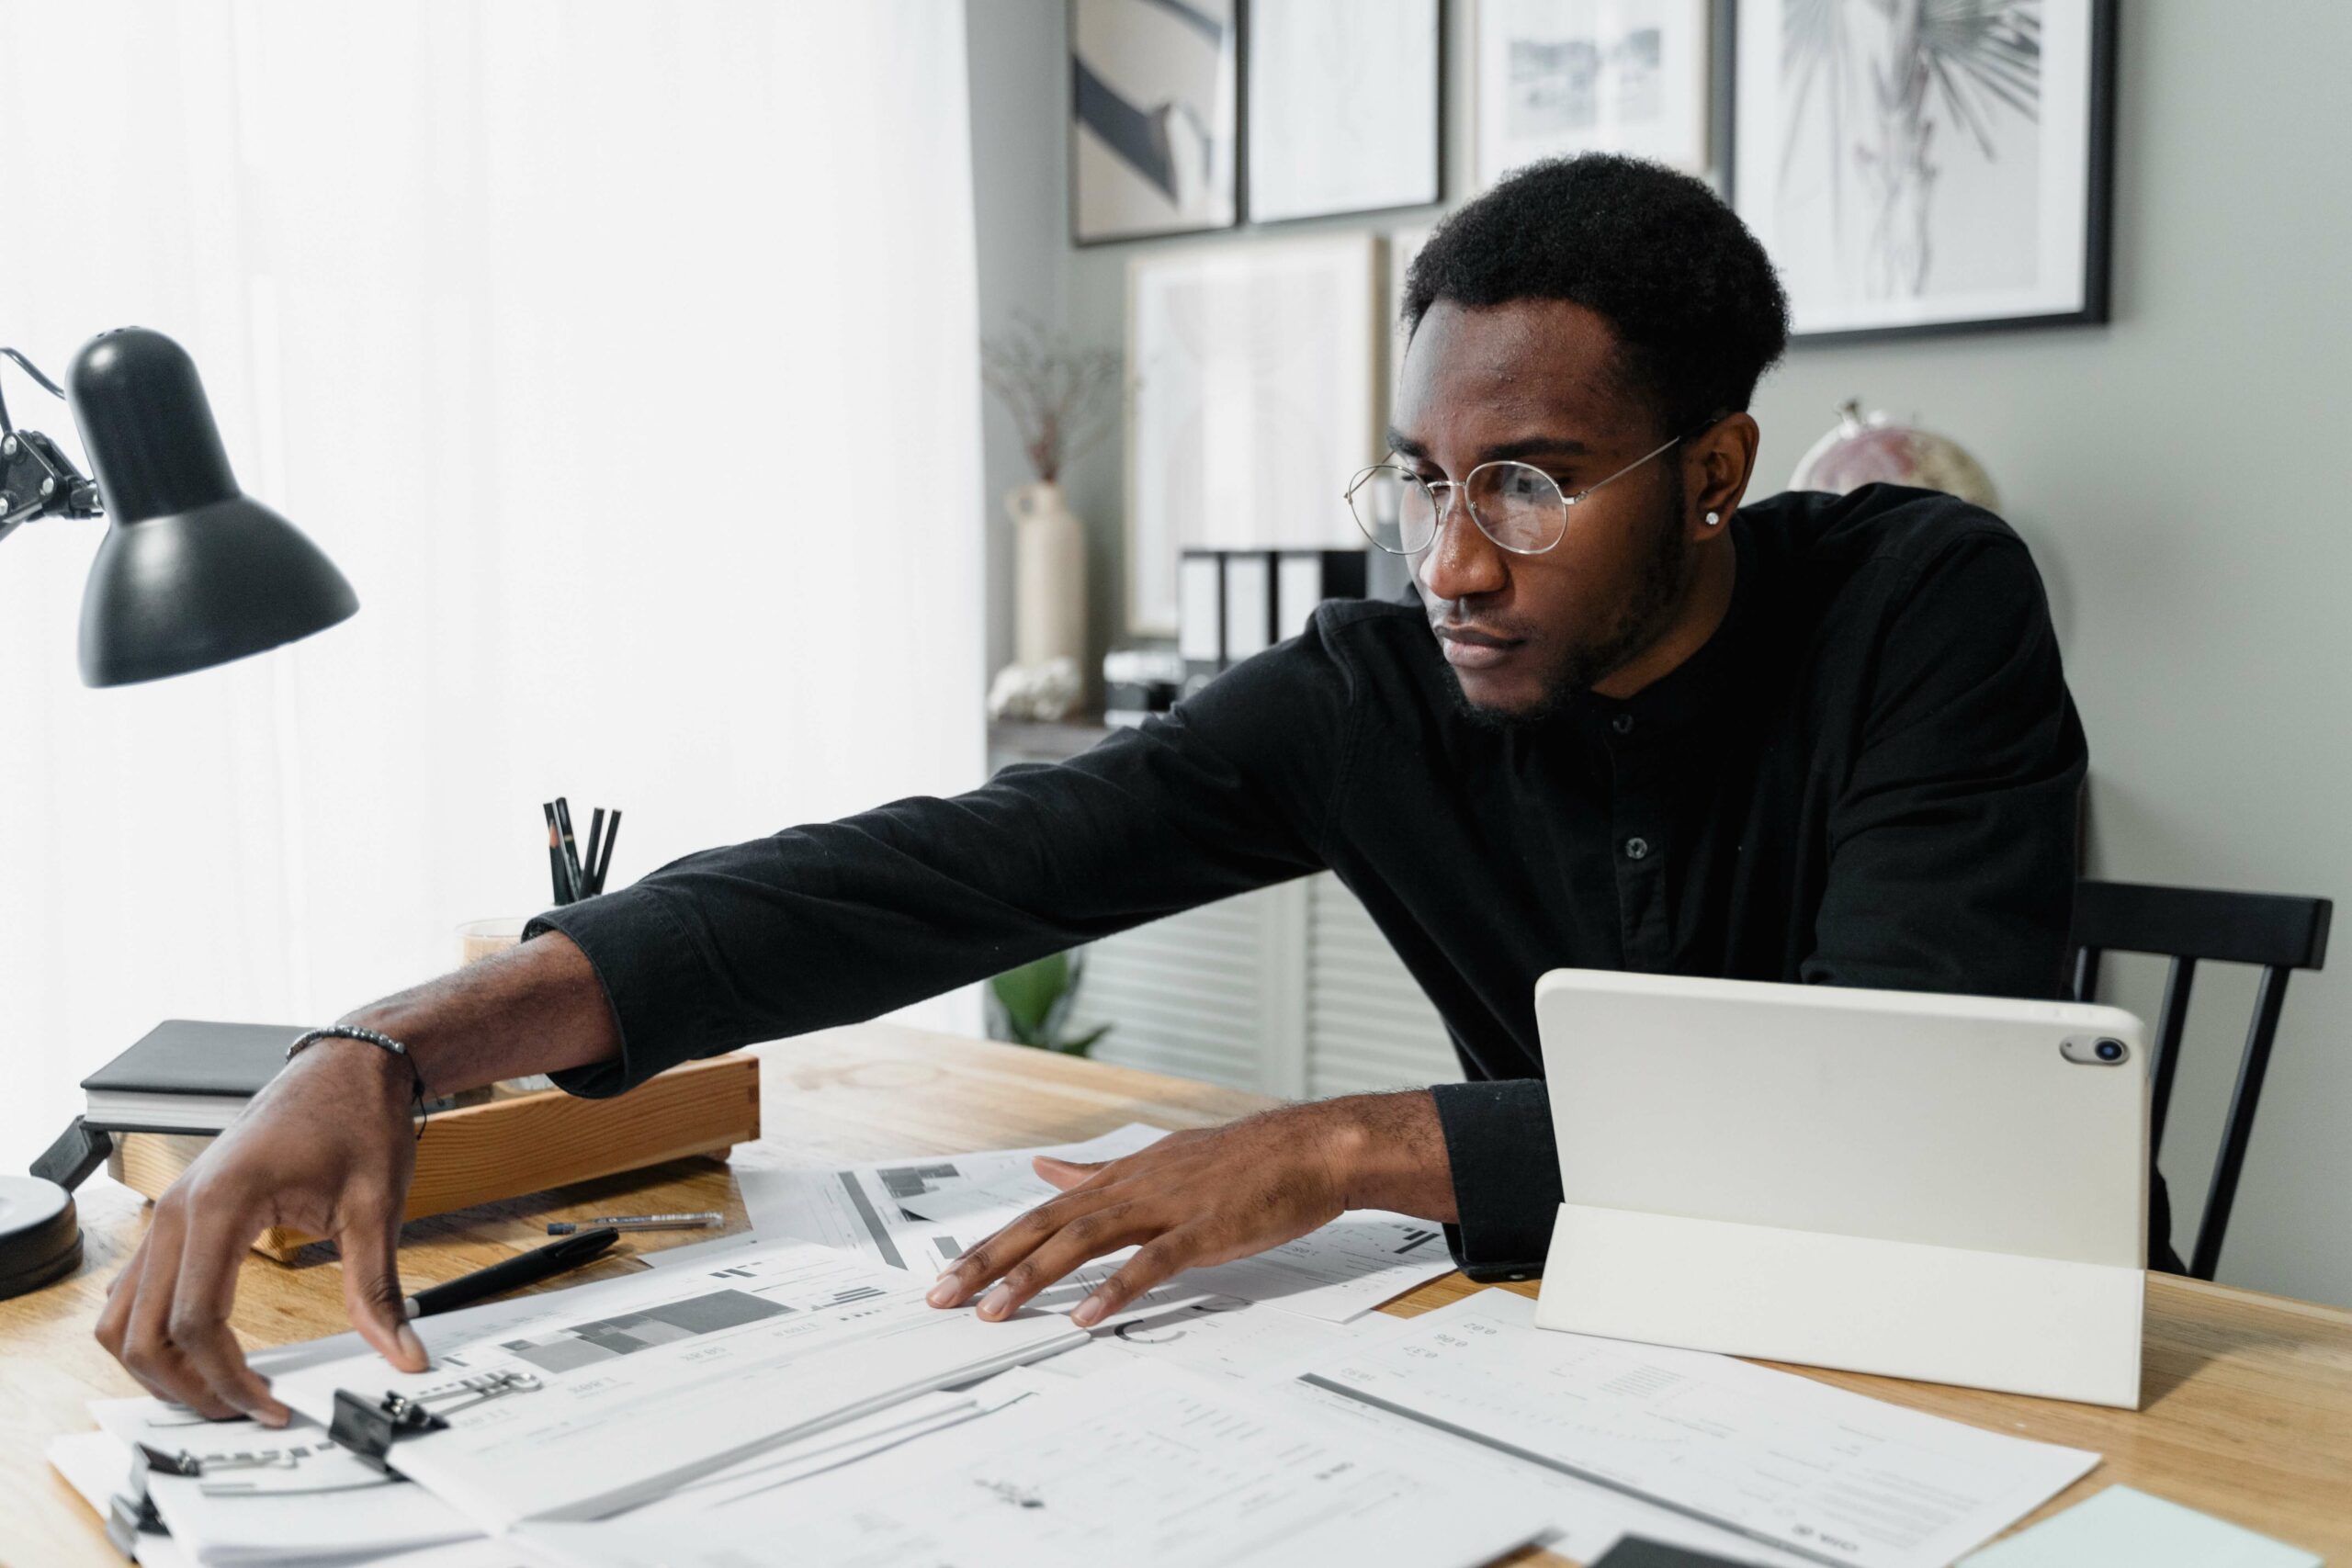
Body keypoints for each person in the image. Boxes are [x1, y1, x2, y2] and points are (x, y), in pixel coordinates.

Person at [96, 152, 2110, 1428]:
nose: (1452, 560)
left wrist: (1328, 1146)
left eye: (1523, 481)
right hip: (1617, 1349)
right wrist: (387, 1042)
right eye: (1420, 478)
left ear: (1712, 469)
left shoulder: (1922, 598)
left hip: (1982, 1340)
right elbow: (952, 873)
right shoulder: (1375, 685)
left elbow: (1882, 1086)